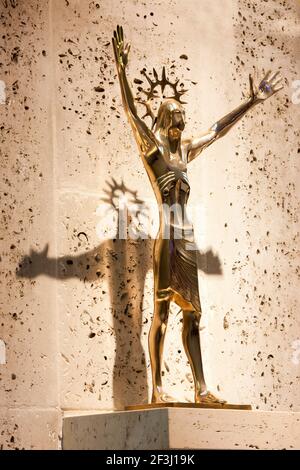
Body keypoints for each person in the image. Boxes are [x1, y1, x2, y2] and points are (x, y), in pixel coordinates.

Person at [112, 25, 283, 404]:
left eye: (180, 116)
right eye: (172, 115)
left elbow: (217, 130)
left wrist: (251, 102)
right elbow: (129, 112)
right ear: (162, 119)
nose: (178, 121)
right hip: (167, 239)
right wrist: (122, 69)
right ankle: (157, 389)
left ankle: (201, 389)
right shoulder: (153, 152)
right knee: (162, 314)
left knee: (194, 315)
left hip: (187, 239)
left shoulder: (186, 152)